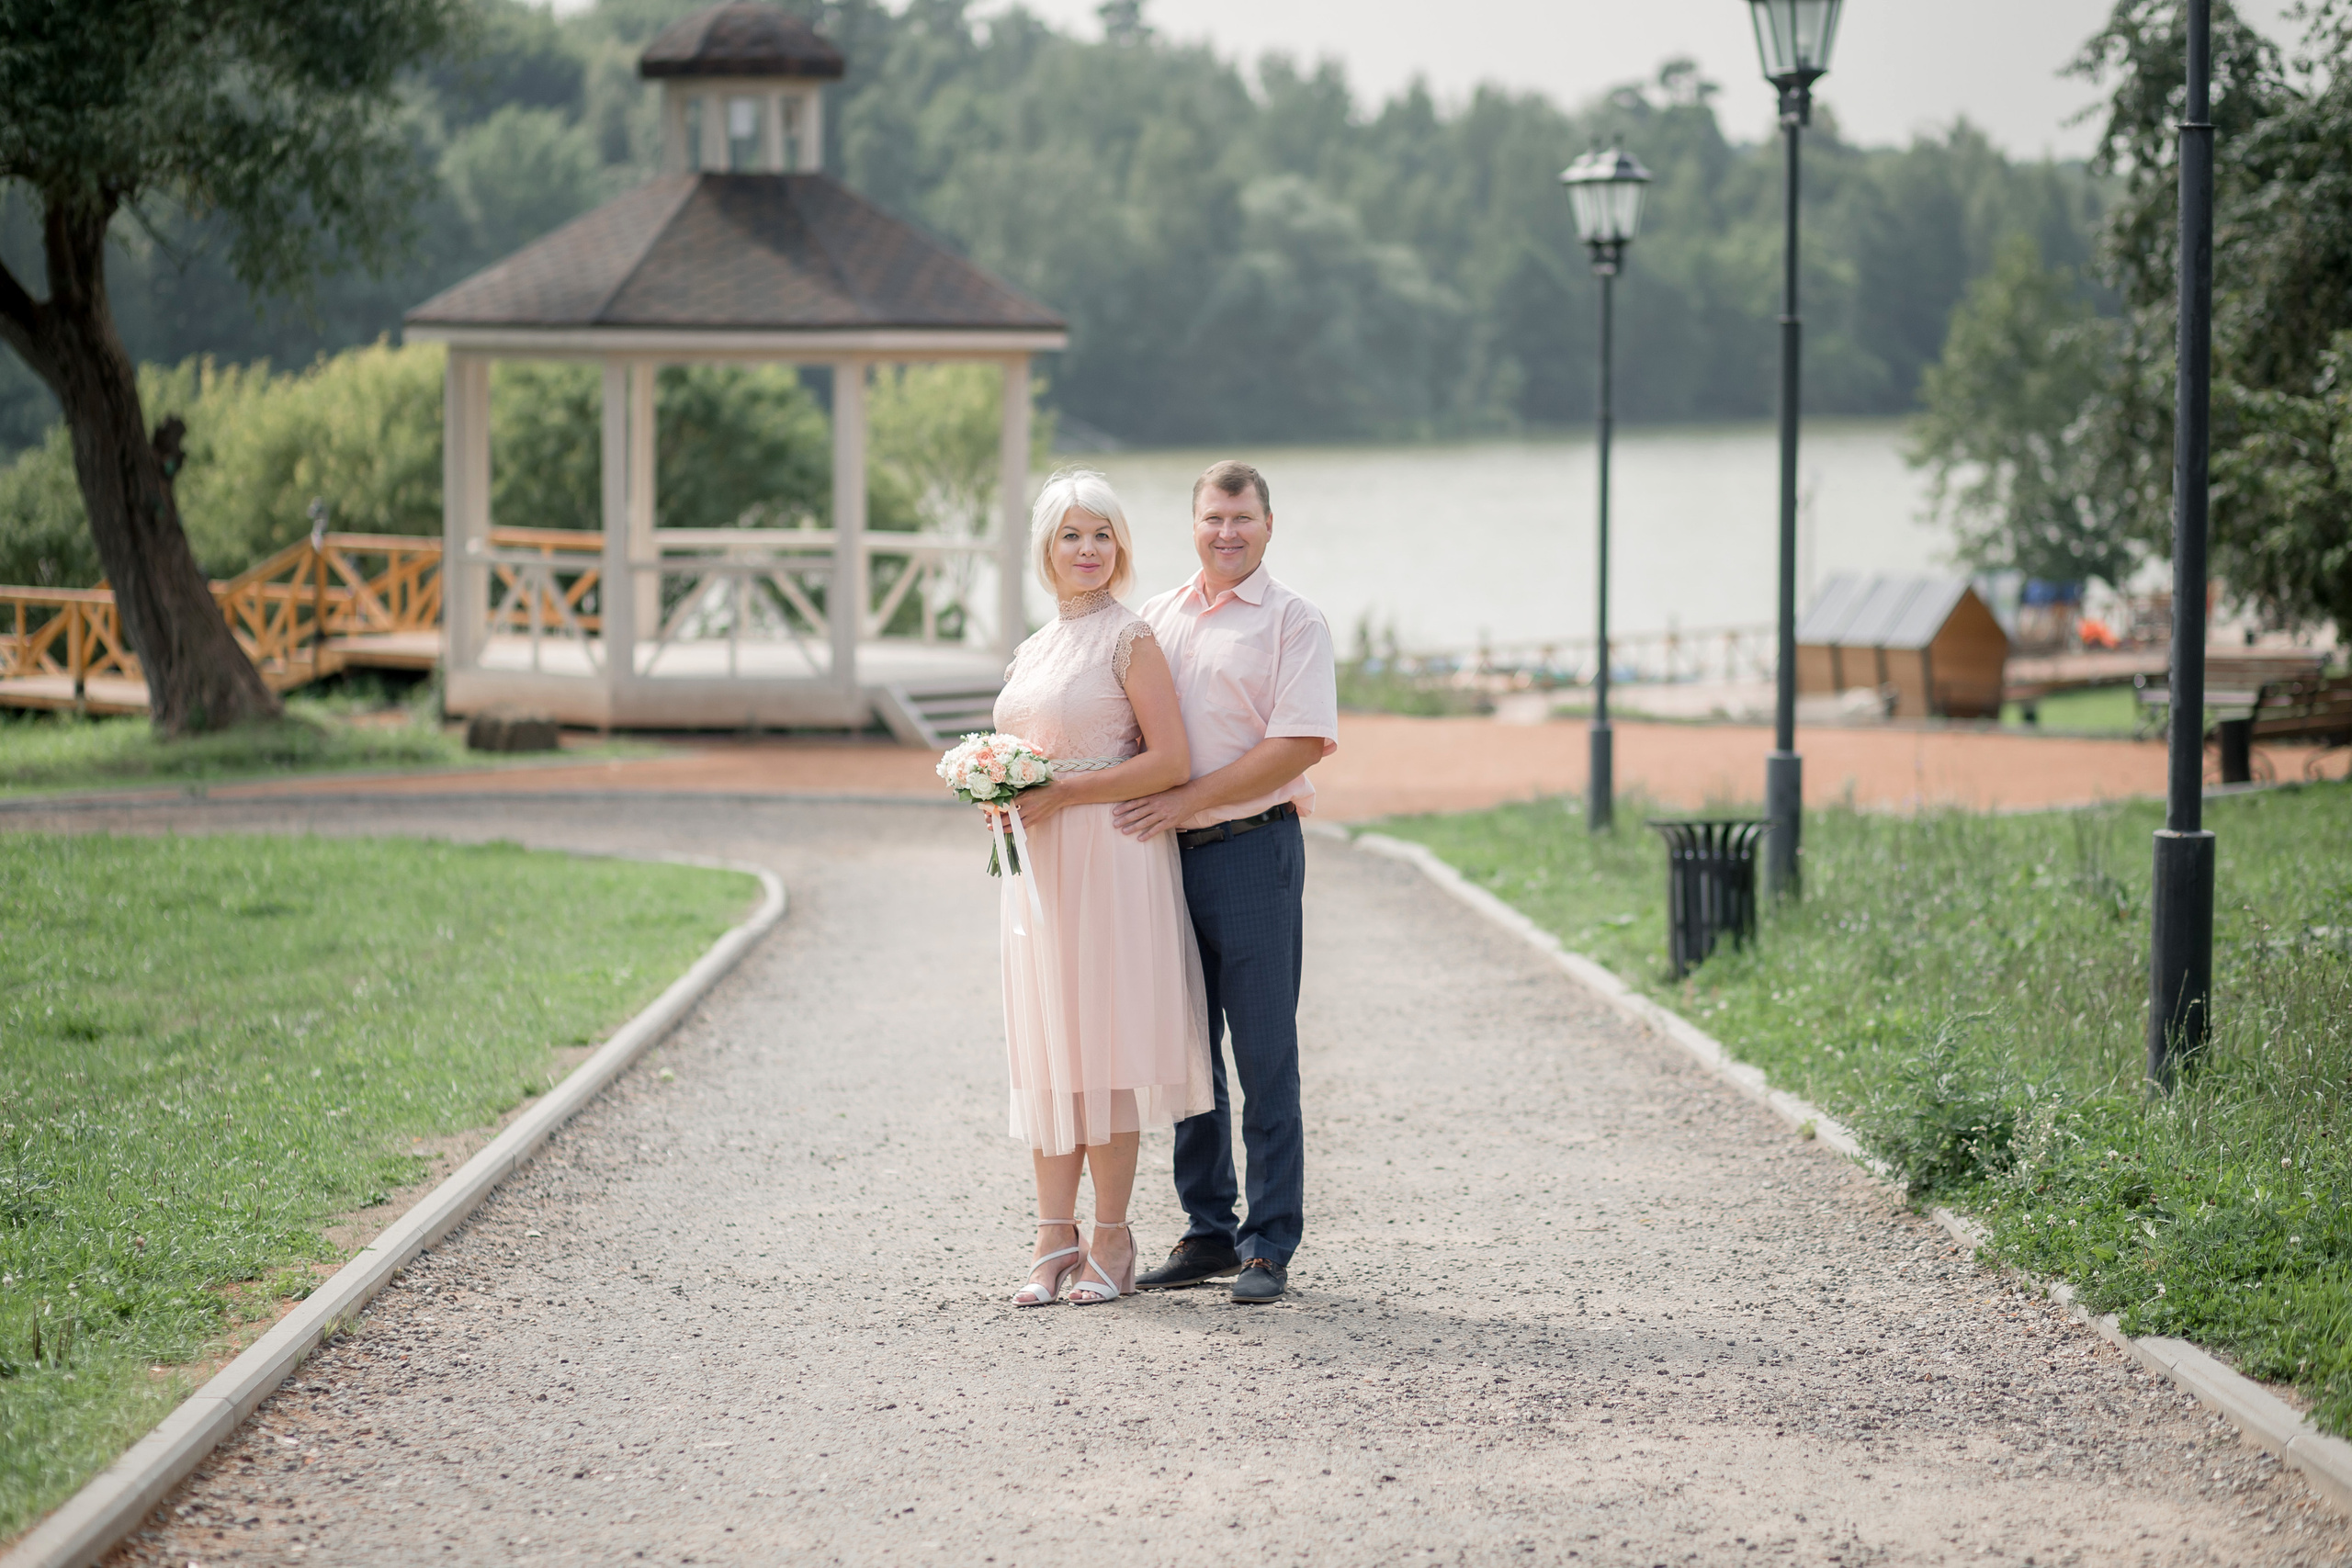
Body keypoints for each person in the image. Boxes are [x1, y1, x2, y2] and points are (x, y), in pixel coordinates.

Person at [1114, 459, 1339, 1303]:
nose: (1227, 532)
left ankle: (1268, 1244)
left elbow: (1297, 745)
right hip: (1163, 859)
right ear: (1194, 524)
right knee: (1185, 1050)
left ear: (1268, 525)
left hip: (1253, 851)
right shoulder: (1153, 618)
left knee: (1264, 1052)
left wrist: (1185, 801)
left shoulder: (1294, 621)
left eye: (1242, 518)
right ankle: (1208, 1228)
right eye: (1214, 517)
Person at [989, 468, 1214, 1307]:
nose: (1089, 549)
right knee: (1049, 1047)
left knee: (1104, 1048)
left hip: (1112, 857)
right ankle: (1054, 1237)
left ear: (1120, 546)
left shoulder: (1132, 638)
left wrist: (1066, 792)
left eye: (1102, 534)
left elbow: (1172, 760)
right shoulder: (1032, 648)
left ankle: (1112, 1241)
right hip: (1040, 865)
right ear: (1045, 549)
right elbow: (1025, 756)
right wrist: (1000, 801)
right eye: (1071, 535)